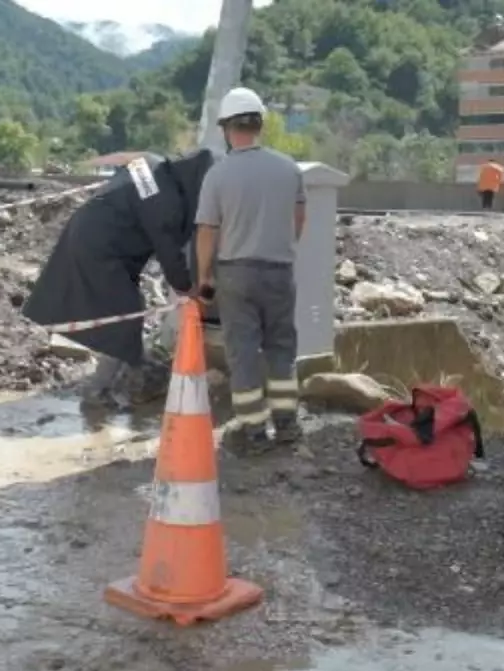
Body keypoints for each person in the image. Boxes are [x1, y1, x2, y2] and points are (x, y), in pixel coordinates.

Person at [22, 149, 214, 407]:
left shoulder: (151, 164)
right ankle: (98, 392)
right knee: (126, 314)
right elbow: (169, 253)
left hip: (86, 229)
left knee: (124, 310)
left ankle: (136, 368)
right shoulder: (164, 202)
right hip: (103, 248)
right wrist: (188, 287)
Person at [193, 86, 306, 453]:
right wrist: (281, 247)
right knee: (281, 348)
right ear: (259, 124)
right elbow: (298, 220)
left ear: (227, 128)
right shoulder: (289, 169)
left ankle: (254, 432)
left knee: (242, 352)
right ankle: (287, 425)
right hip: (279, 270)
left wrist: (205, 276)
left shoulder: (218, 175)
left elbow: (208, 231)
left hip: (236, 274)